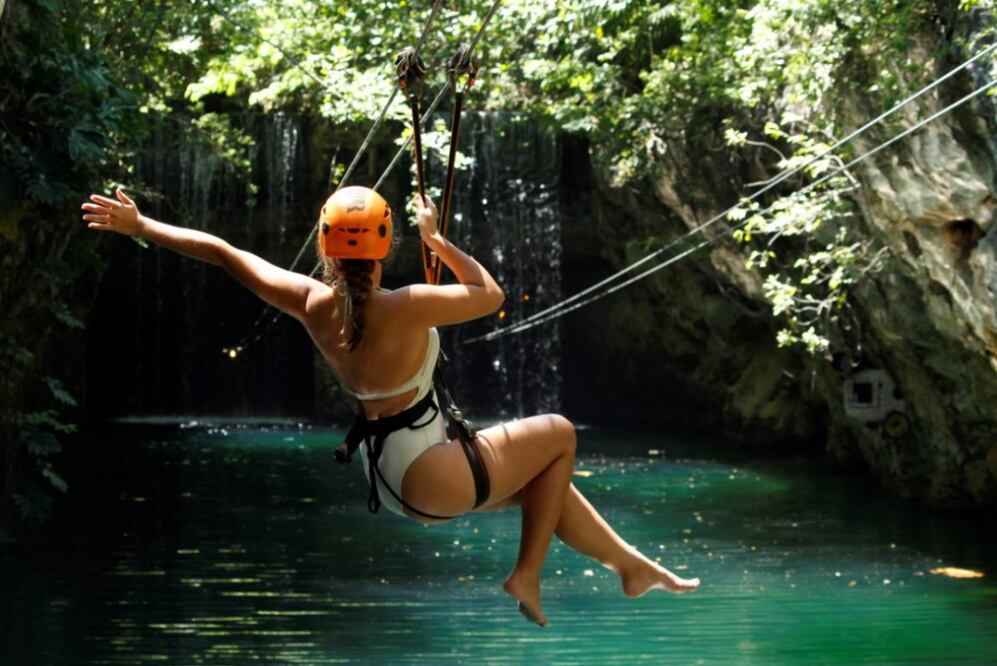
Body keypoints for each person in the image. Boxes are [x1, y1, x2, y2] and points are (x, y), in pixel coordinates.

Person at [81, 186, 700, 627]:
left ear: (325, 243)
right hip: (433, 471)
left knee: (549, 483)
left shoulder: (309, 302)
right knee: (560, 435)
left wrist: (142, 228)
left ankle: (632, 566)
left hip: (396, 479)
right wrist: (437, 238)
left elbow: (220, 251)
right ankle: (526, 573)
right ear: (384, 245)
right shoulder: (407, 303)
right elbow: (490, 295)